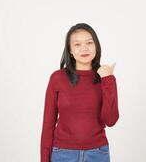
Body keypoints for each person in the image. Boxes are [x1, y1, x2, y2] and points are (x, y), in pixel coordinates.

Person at [40, 23, 119, 162]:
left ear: (96, 46)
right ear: (70, 50)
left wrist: (108, 80)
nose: (84, 48)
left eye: (89, 42)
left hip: (97, 153)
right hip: (62, 154)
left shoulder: (105, 78)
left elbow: (111, 120)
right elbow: (48, 124)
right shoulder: (57, 78)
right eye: (77, 44)